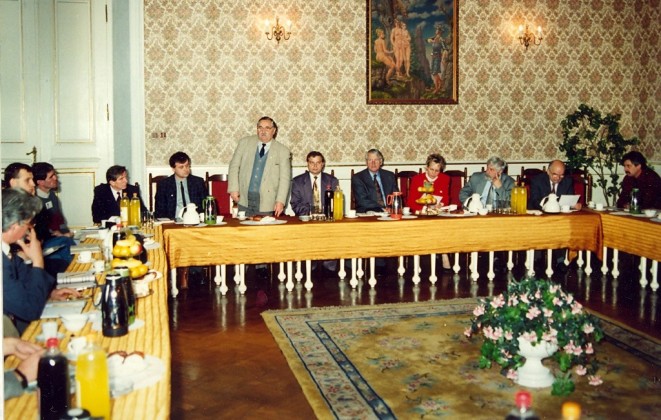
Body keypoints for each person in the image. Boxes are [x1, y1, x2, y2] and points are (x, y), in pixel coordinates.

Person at [2, 189, 79, 334]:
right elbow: (30, 310)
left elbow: (24, 280)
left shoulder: (6, 250)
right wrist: (38, 261)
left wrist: (50, 293)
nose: (31, 229)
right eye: (29, 224)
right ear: (14, 226)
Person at [228, 116, 291, 217]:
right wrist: (233, 188)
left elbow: (285, 179)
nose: (263, 131)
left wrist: (280, 201)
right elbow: (234, 166)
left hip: (267, 202)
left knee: (264, 227)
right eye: (260, 127)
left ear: (274, 131)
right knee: (243, 226)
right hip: (244, 199)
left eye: (267, 128)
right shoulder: (244, 143)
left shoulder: (283, 151)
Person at [407, 153, 452, 270]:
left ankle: (444, 253)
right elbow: (411, 202)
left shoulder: (445, 179)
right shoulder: (417, 179)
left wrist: (440, 204)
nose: (433, 173)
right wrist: (424, 208)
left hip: (437, 213)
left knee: (442, 225)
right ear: (426, 167)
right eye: (431, 169)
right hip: (420, 213)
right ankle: (418, 258)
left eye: (437, 170)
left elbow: (446, 198)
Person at [31, 162, 76, 275]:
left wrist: (65, 232)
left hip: (57, 239)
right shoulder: (34, 201)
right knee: (66, 245)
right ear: (40, 182)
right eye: (51, 176)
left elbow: (60, 220)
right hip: (45, 241)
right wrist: (55, 234)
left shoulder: (52, 196)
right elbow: (40, 229)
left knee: (69, 244)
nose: (56, 178)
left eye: (55, 174)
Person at [154, 151, 207, 220]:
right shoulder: (164, 185)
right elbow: (159, 210)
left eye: (187, 166)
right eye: (181, 167)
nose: (186, 169)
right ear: (173, 169)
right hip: (173, 221)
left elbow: (206, 205)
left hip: (194, 220)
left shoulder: (198, 182)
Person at [290, 151, 339, 216]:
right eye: (312, 162)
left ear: (322, 164)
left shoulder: (332, 181)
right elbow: (295, 204)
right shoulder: (297, 182)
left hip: (327, 218)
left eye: (318, 163)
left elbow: (336, 203)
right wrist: (311, 214)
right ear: (307, 164)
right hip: (306, 218)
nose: (315, 166)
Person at [352, 149, 398, 213]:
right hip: (367, 213)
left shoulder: (389, 176)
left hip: (389, 213)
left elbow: (396, 196)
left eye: (376, 160)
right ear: (366, 162)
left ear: (381, 162)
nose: (373, 163)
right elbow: (362, 201)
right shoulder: (358, 178)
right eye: (370, 160)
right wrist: (382, 208)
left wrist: (392, 208)